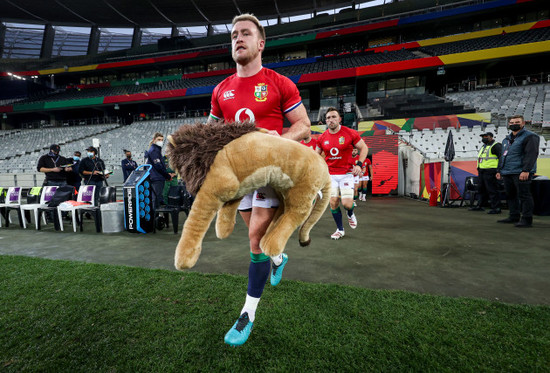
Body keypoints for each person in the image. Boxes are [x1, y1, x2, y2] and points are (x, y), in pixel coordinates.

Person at [208, 13, 310, 346]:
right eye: (234, 34)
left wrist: (277, 141)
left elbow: (304, 126)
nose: (238, 38)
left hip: (272, 173)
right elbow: (209, 134)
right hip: (240, 176)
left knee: (255, 237)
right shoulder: (220, 90)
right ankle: (279, 258)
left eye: (245, 33)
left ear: (260, 43)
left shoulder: (280, 83)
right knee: (261, 241)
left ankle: (247, 314)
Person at [316, 108, 368, 240]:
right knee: (333, 202)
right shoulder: (322, 138)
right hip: (330, 175)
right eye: (328, 118)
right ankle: (340, 229)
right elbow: (315, 156)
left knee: (347, 204)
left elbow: (364, 148)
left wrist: (359, 164)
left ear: (339, 119)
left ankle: (350, 213)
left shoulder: (350, 133)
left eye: (333, 117)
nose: (330, 120)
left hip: (346, 174)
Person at [496, 115, 539, 227]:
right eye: (511, 122)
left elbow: (531, 154)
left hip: (520, 172)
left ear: (523, 123)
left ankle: (527, 219)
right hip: (507, 172)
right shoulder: (506, 139)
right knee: (510, 195)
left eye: (517, 122)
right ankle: (514, 215)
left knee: (524, 195)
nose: (514, 124)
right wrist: (499, 170)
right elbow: (503, 156)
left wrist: (526, 170)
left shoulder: (530, 136)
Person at [469, 132, 502, 214]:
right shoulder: (484, 146)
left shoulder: (496, 145)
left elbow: (501, 158)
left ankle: (496, 208)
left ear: (491, 137)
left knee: (492, 190)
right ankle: (480, 205)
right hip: (482, 170)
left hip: (491, 170)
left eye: (486, 136)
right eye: (483, 137)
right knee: (481, 189)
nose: (484, 138)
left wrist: (498, 170)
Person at [145, 133, 174, 210]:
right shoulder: (154, 150)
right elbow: (158, 166)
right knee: (156, 199)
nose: (160, 141)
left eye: (162, 140)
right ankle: (154, 219)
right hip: (156, 177)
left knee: (157, 198)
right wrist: (167, 176)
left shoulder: (156, 150)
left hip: (156, 177)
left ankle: (156, 217)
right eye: (159, 139)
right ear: (154, 140)